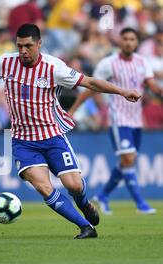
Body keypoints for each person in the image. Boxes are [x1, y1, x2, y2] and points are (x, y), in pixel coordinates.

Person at [0, 24, 142, 239]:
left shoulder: (54, 68)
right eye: (20, 46)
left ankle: (84, 203)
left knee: (74, 185)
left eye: (28, 46)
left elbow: (89, 82)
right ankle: (85, 227)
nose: (23, 51)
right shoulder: (5, 62)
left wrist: (122, 91)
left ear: (39, 44)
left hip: (52, 136)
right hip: (23, 141)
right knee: (44, 187)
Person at [69, 27, 163, 215]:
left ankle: (103, 195)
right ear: (120, 41)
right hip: (118, 120)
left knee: (127, 161)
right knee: (128, 159)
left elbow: (152, 85)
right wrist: (73, 109)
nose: (128, 42)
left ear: (136, 42)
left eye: (132, 39)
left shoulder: (142, 62)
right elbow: (91, 87)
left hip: (136, 121)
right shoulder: (108, 63)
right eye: (125, 38)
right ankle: (140, 204)